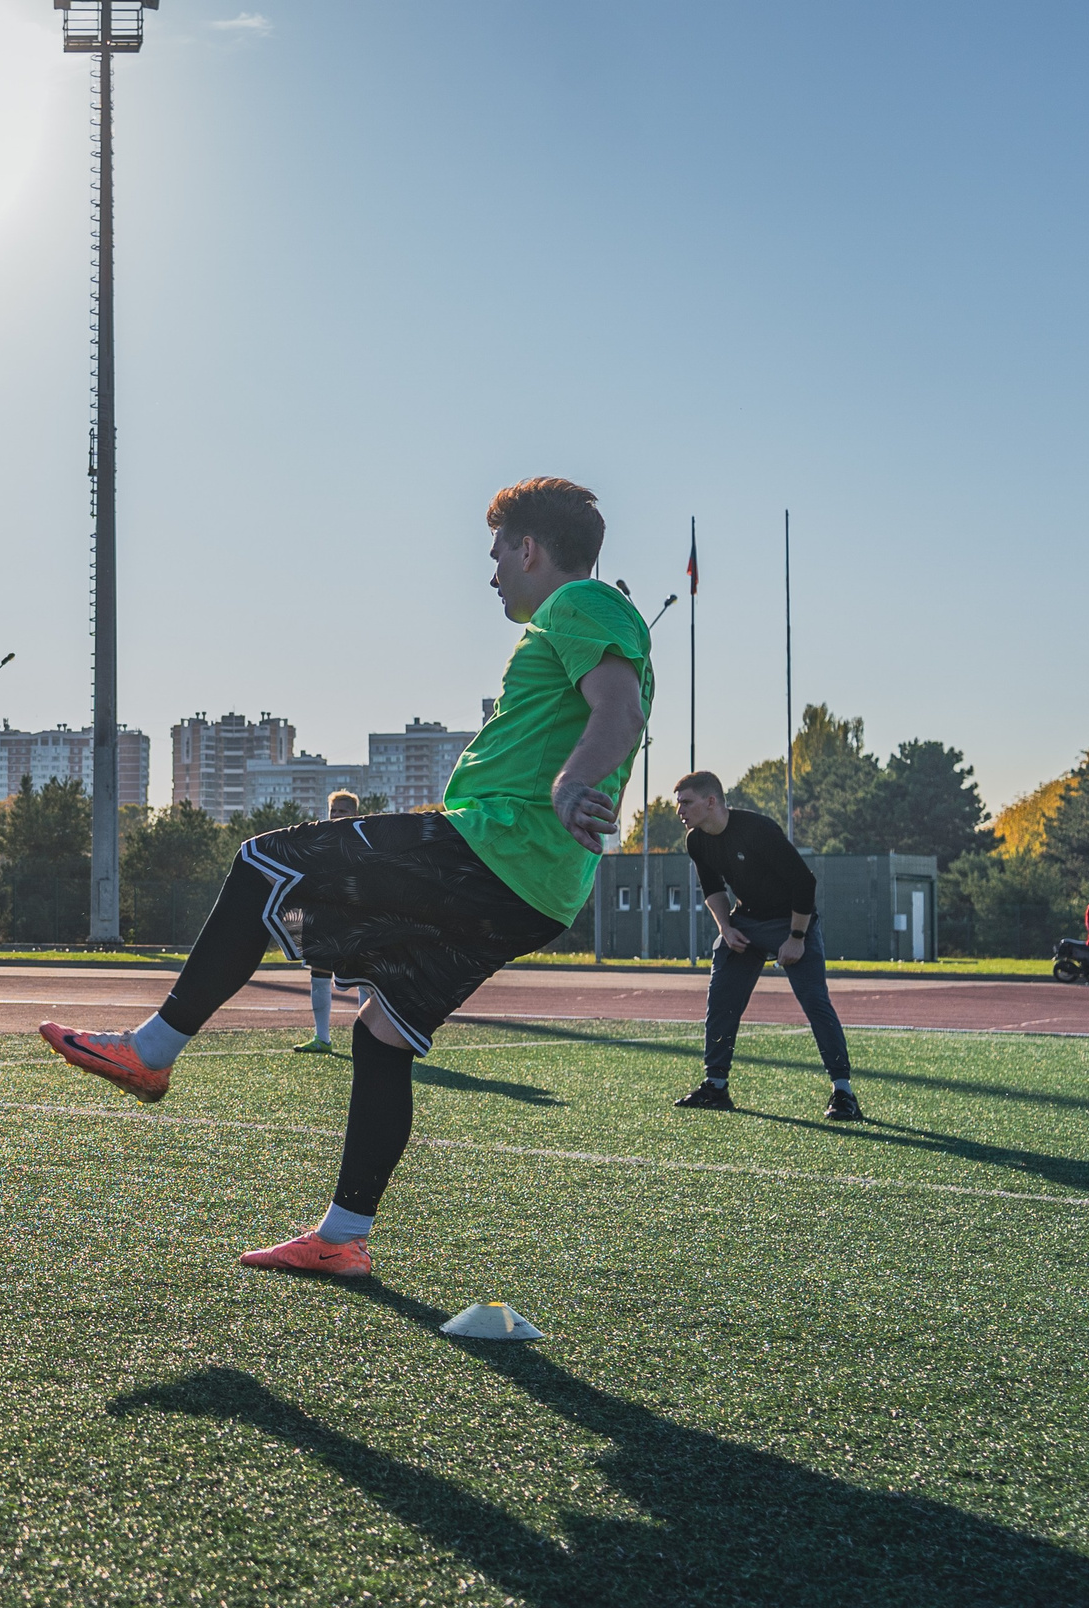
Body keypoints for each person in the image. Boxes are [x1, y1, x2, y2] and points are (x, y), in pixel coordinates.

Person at [40, 478, 648, 1277]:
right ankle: (343, 1235)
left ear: (529, 548)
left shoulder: (580, 607)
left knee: (264, 862)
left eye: (497, 550)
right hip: (536, 892)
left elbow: (619, 709)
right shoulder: (589, 618)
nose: (492, 571)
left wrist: (571, 786)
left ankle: (153, 1049)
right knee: (385, 1030)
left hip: (492, 848)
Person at [667, 773, 861, 1121]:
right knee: (721, 998)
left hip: (792, 922)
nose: (679, 810)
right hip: (747, 923)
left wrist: (796, 939)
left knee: (816, 1003)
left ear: (711, 802)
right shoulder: (696, 840)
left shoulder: (756, 830)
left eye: (686, 802)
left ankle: (843, 1093)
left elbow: (804, 883)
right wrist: (726, 928)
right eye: (678, 802)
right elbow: (713, 890)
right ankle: (716, 1085)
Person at [291, 789, 367, 1054]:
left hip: (355, 917)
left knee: (364, 976)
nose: (335, 816)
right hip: (323, 916)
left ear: (355, 814)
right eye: (333, 811)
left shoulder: (364, 839)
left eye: (342, 811)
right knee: (319, 973)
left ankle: (368, 1040)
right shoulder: (320, 838)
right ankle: (322, 1038)